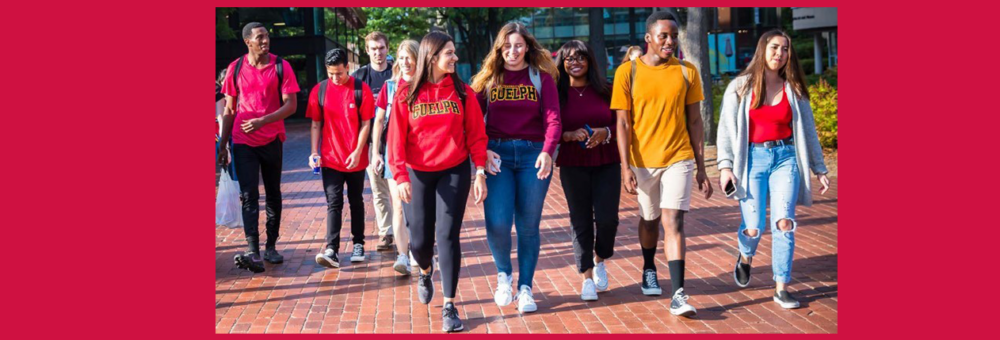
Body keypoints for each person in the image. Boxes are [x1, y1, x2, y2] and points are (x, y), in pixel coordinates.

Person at [716, 29, 831, 309]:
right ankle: (745, 256)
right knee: (754, 227)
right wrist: (725, 167)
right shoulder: (740, 87)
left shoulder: (794, 90)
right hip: (752, 160)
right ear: (763, 50)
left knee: (784, 223)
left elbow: (809, 132)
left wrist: (819, 168)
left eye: (785, 49)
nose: (779, 54)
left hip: (786, 158)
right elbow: (726, 132)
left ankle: (782, 287)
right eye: (774, 48)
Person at [610, 11, 712, 317]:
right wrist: (625, 167)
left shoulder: (687, 72)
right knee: (650, 220)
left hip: (678, 156)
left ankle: (678, 293)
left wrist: (701, 166)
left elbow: (695, 121)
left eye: (674, 35)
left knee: (673, 221)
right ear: (648, 38)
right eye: (663, 36)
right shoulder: (627, 73)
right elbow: (623, 124)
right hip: (643, 161)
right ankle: (648, 266)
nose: (670, 41)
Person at [388, 31, 488, 332]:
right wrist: (400, 175)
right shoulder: (406, 93)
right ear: (433, 57)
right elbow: (395, 139)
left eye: (455, 52)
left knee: (447, 236)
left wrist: (479, 170)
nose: (455, 58)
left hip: (453, 170)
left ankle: (449, 305)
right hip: (417, 172)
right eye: (449, 53)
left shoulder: (462, 92)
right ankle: (425, 269)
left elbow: (477, 133)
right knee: (419, 241)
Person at [470, 22, 561, 314]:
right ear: (499, 48)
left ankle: (525, 288)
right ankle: (504, 275)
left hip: (532, 156)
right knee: (497, 222)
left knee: (527, 226)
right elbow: (471, 121)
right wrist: (483, 151)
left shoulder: (541, 78)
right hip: (498, 156)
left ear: (528, 47)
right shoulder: (488, 79)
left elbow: (553, 119)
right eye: (507, 46)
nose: (513, 51)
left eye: (518, 45)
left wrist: (548, 151)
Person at [219, 22, 300, 273]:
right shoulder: (235, 69)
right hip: (242, 141)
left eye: (267, 36)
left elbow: (291, 105)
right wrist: (223, 145)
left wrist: (263, 121)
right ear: (248, 42)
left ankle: (271, 246)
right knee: (248, 195)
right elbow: (230, 109)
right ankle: (252, 249)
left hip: (272, 138)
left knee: (273, 194)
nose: (266, 40)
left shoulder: (281, 66)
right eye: (260, 37)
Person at [552, 40, 621, 302]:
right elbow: (549, 127)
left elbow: (623, 124)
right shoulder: (557, 94)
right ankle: (587, 278)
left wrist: (606, 133)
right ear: (563, 63)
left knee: (608, 220)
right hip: (572, 164)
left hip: (607, 161)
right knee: (580, 221)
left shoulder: (606, 90)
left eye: (581, 57)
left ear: (590, 61)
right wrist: (567, 135)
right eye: (569, 58)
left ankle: (600, 257)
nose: (575, 62)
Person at [308, 48, 375, 268]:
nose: (336, 78)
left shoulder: (360, 89)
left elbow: (366, 123)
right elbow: (316, 123)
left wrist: (357, 151)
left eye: (339, 73)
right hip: (330, 158)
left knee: (356, 201)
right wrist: (314, 152)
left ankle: (358, 244)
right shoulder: (320, 90)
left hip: (355, 157)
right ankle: (332, 249)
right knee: (333, 202)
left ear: (348, 67)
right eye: (331, 73)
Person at [372, 39, 420, 275]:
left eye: (410, 57)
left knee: (420, 207)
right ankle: (403, 255)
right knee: (398, 206)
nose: (405, 62)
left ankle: (418, 250)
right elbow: (379, 121)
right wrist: (375, 153)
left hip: (423, 156)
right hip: (395, 155)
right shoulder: (390, 87)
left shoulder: (427, 85)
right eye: (401, 58)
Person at [352, 31, 395, 252]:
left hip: (398, 142)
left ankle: (405, 229)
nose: (378, 53)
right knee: (379, 190)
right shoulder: (359, 76)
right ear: (367, 51)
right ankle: (386, 232)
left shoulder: (397, 71)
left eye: (381, 48)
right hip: (372, 144)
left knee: (401, 188)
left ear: (388, 48)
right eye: (374, 49)